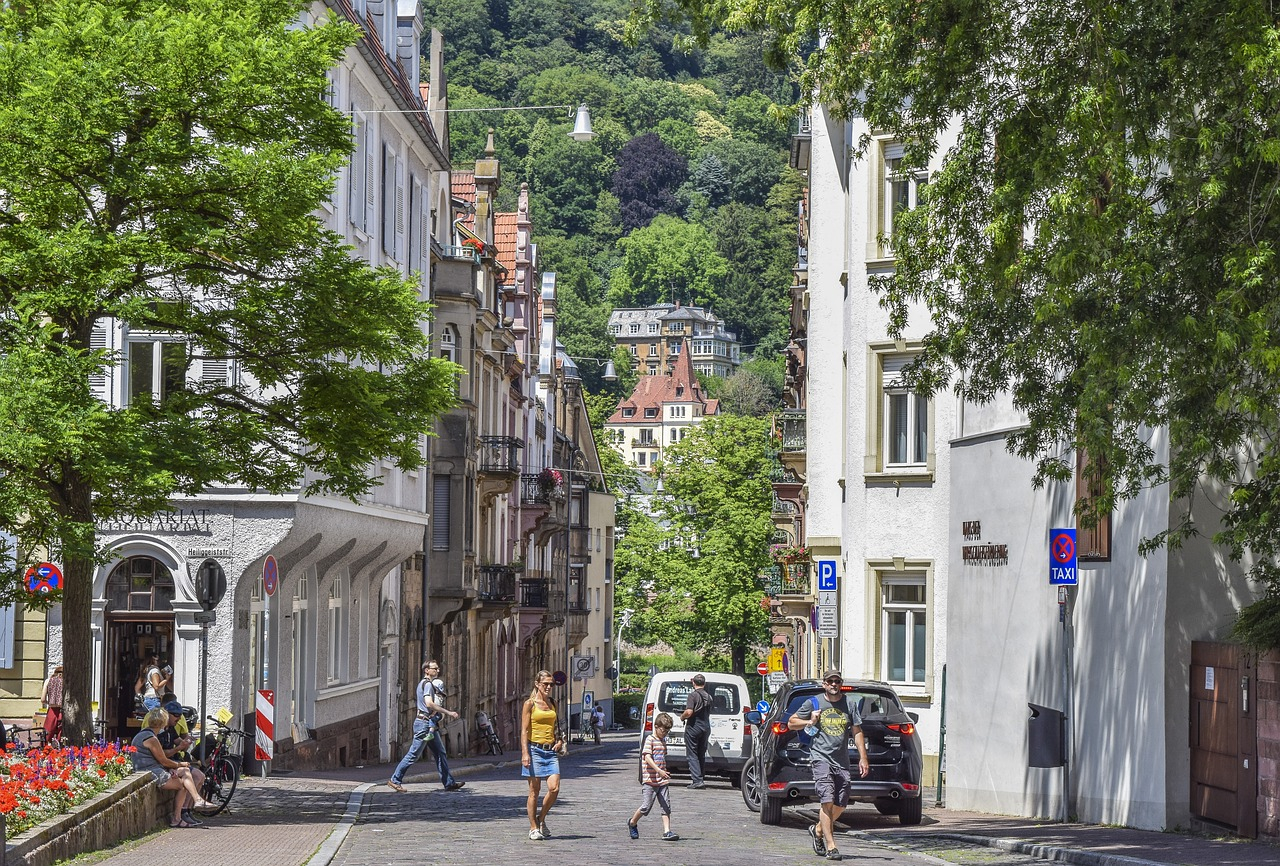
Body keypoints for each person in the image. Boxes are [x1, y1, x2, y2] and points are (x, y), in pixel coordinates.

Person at [788, 669, 870, 861]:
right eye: (830, 681)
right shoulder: (814, 702)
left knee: (841, 803)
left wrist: (863, 757)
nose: (834, 684)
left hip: (841, 760)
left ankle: (817, 829)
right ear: (824, 684)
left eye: (837, 681)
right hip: (820, 758)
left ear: (840, 683)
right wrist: (810, 720)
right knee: (827, 799)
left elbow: (857, 731)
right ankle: (831, 846)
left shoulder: (849, 704)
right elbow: (792, 723)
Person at [388, 660, 464, 792]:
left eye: (438, 668)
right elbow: (429, 703)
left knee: (440, 753)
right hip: (423, 724)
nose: (437, 670)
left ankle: (449, 783)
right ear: (427, 670)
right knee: (413, 754)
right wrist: (448, 712)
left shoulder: (424, 684)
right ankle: (395, 780)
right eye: (435, 668)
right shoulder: (427, 684)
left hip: (426, 723)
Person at [132, 707, 211, 828]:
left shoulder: (146, 734)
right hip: (150, 772)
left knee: (185, 773)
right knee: (183, 784)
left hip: (153, 768)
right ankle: (177, 818)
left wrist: (173, 769)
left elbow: (161, 761)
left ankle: (196, 801)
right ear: (163, 722)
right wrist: (179, 764)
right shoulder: (151, 739)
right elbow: (163, 760)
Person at [521, 670, 564, 841]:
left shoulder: (553, 703)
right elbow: (524, 731)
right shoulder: (529, 704)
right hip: (534, 750)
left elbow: (557, 726)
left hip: (550, 751)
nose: (548, 687)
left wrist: (559, 740)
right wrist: (525, 753)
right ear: (537, 684)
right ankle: (533, 827)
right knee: (534, 791)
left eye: (551, 684)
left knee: (554, 788)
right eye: (545, 684)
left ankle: (541, 818)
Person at [628, 711, 679, 841]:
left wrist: (664, 771)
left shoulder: (663, 741)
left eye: (667, 731)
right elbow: (647, 757)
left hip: (662, 781)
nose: (665, 733)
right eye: (663, 730)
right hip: (650, 780)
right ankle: (632, 822)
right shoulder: (650, 739)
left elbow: (662, 757)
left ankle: (667, 831)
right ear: (656, 727)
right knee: (646, 806)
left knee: (666, 806)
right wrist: (658, 770)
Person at [680, 673, 712, 788]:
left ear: (693, 682)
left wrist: (682, 717)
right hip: (706, 726)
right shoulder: (709, 696)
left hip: (694, 726)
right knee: (701, 753)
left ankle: (697, 780)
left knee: (692, 753)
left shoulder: (693, 696)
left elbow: (689, 712)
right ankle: (700, 777)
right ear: (704, 683)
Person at [40, 664, 65, 743]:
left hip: (52, 710)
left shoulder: (48, 681)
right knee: (61, 735)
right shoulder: (66, 682)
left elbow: (43, 699)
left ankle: (46, 750)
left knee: (48, 734)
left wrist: (49, 702)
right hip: (63, 710)